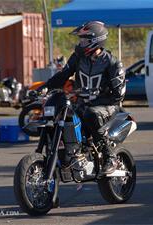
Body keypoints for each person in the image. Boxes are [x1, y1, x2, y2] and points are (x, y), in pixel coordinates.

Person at [41, 21, 126, 174]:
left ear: (95, 41)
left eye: (84, 40)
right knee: (63, 114)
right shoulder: (78, 58)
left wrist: (97, 94)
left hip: (107, 106)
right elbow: (63, 75)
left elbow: (118, 95)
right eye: (80, 40)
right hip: (82, 103)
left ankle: (109, 156)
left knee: (91, 114)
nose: (80, 43)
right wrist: (45, 87)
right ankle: (71, 154)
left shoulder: (113, 63)